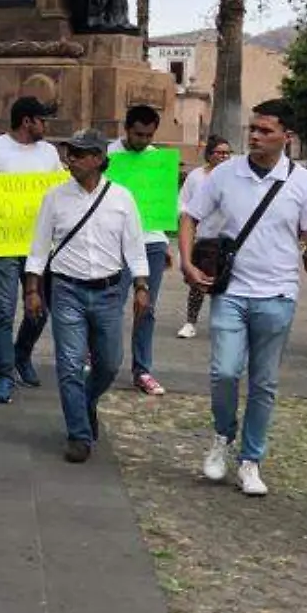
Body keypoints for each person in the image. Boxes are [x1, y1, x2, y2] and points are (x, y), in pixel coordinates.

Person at [179, 100, 307, 497]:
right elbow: (189, 216)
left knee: (264, 382)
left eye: (265, 130)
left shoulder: (302, 183)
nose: (256, 136)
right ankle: (222, 436)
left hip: (278, 293)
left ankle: (251, 458)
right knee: (225, 371)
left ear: (287, 137)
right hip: (231, 290)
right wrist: (186, 262)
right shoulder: (226, 174)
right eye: (253, 129)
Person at [23, 129, 150, 463]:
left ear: (98, 159)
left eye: (79, 154)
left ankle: (86, 400)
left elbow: (134, 248)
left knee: (109, 363)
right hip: (66, 290)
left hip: (109, 291)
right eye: (70, 153)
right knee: (69, 364)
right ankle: (79, 434)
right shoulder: (55, 197)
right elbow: (38, 248)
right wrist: (33, 289)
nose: (71, 160)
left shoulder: (122, 198)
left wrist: (141, 286)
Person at [0, 97, 64, 403]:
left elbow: (61, 188)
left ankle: (22, 353)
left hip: (41, 245)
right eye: (43, 120)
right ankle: (4, 374)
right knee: (4, 310)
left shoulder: (50, 152)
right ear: (27, 121)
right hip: (4, 243)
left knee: (40, 309)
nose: (47, 126)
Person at [107, 104, 172, 396]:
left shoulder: (158, 160)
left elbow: (166, 207)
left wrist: (167, 244)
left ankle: (142, 369)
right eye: (138, 134)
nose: (144, 140)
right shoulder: (107, 156)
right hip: (116, 242)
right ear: (126, 128)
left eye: (149, 135)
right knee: (112, 305)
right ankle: (103, 358)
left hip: (152, 241)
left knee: (146, 308)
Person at [176, 136, 232, 339]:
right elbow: (183, 203)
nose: (223, 156)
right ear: (209, 154)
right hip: (205, 237)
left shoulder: (235, 177)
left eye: (227, 153)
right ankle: (190, 322)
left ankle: (224, 324)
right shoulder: (196, 177)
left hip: (228, 238)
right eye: (219, 152)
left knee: (226, 284)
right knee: (199, 283)